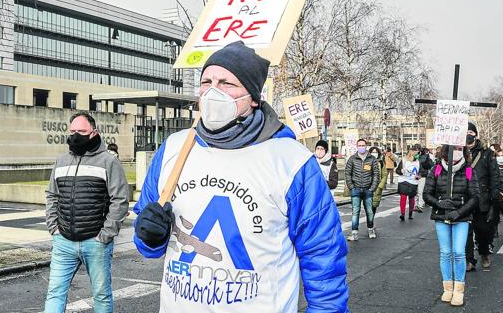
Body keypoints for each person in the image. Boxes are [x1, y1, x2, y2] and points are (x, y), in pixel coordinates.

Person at [132, 41, 348, 312]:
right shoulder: (174, 149)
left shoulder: (290, 160)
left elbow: (323, 255)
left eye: (226, 83)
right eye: (207, 81)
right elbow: (148, 240)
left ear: (253, 98)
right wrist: (149, 236)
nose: (213, 91)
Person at [44, 112, 130, 313]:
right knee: (55, 293)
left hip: (96, 242)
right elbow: (52, 195)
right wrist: (53, 227)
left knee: (101, 295)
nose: (75, 135)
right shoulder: (61, 161)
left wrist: (106, 234)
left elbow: (120, 200)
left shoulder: (109, 161)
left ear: (94, 133)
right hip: (63, 241)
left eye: (81, 131)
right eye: (72, 131)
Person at [423, 144, 479, 307]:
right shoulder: (437, 169)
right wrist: (439, 203)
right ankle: (447, 288)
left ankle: (459, 290)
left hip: (461, 218)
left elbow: (475, 197)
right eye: (454, 149)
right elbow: (426, 194)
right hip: (441, 217)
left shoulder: (469, 170)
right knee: (446, 253)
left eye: (460, 149)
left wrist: (459, 212)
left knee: (459, 252)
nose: (457, 152)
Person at [464, 122, 499, 271]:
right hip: (464, 198)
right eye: (465, 132)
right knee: (465, 232)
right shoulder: (457, 152)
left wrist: (494, 200)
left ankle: (484, 253)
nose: (468, 135)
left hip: (482, 199)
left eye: (470, 132)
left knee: (483, 230)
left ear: (475, 135)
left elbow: (495, 177)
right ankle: (469, 260)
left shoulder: (487, 153)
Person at [345, 139, 380, 240]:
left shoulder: (372, 159)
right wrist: (351, 187)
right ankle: (354, 233)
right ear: (357, 146)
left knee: (369, 211)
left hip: (368, 189)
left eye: (363, 145)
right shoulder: (352, 159)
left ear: (366, 146)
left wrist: (372, 188)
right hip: (355, 189)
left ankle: (370, 229)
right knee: (355, 211)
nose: (361, 147)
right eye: (359, 145)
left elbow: (376, 174)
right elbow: (347, 173)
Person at [370, 146, 388, 237]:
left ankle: (371, 221)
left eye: (375, 152)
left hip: (377, 189)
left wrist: (381, 186)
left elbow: (384, 175)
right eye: (372, 152)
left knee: (374, 206)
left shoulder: (381, 162)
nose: (374, 154)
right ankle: (370, 223)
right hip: (367, 188)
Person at [397, 148, 420, 221]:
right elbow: (397, 170)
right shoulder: (404, 160)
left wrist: (418, 176)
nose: (418, 155)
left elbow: (421, 172)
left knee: (411, 198)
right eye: (416, 154)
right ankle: (402, 214)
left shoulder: (418, 162)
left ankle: (410, 214)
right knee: (403, 197)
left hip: (413, 182)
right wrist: (401, 171)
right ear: (412, 154)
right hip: (403, 181)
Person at [416, 147, 434, 213]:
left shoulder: (420, 157)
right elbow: (432, 165)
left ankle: (420, 205)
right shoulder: (426, 157)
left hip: (420, 175)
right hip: (422, 175)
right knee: (420, 190)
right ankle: (419, 204)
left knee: (419, 191)